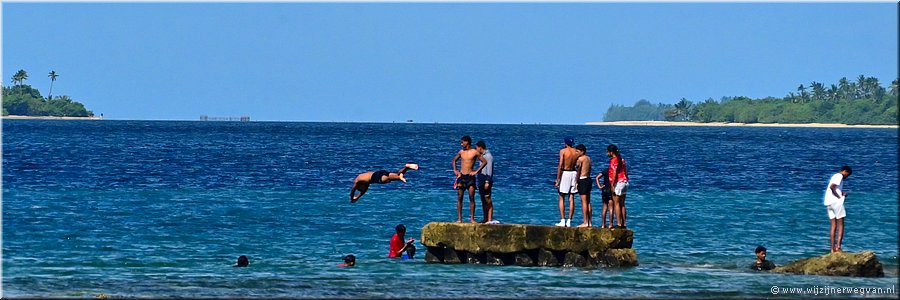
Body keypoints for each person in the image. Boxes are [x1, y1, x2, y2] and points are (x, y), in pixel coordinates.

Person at [452, 136, 488, 223]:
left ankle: (472, 219)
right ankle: (460, 218)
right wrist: (456, 170)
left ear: (467, 142)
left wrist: (476, 171)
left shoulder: (474, 152)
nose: (461, 144)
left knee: (471, 197)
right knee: (460, 197)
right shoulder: (461, 152)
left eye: (462, 142)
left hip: (470, 177)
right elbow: (454, 161)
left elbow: (484, 162)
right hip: (461, 176)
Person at [350, 163, 419, 202]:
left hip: (377, 177)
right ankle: (406, 167)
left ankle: (405, 170)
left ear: (359, 186)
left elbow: (353, 190)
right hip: (379, 172)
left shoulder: (358, 181)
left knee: (392, 178)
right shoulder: (361, 178)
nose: (362, 189)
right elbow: (362, 192)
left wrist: (352, 198)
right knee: (398, 176)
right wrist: (357, 198)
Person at [823, 166, 852, 253]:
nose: (847, 177)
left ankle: (832, 248)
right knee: (841, 224)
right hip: (836, 203)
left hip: (829, 203)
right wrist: (839, 197)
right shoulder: (839, 176)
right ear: (845, 171)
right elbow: (832, 187)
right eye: (848, 174)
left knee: (833, 225)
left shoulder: (834, 176)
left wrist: (842, 193)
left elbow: (833, 188)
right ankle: (838, 247)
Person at [555, 137, 579, 227]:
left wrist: (558, 179)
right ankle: (569, 221)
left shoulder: (563, 151)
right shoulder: (576, 152)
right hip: (574, 173)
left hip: (565, 173)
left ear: (565, 143)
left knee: (561, 197)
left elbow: (560, 165)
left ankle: (562, 220)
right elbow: (578, 165)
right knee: (571, 197)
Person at [607, 144, 629, 229]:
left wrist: (612, 184)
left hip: (618, 182)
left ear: (611, 152)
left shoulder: (614, 160)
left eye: (608, 152)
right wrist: (626, 178)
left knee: (616, 203)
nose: (607, 154)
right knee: (622, 204)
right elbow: (625, 170)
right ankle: (624, 223)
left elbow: (615, 172)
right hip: (624, 181)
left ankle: (619, 223)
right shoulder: (622, 160)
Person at [475, 140, 497, 224]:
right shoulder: (481, 156)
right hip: (481, 180)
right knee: (483, 199)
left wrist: (487, 181)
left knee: (488, 199)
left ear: (480, 148)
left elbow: (489, 170)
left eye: (477, 148)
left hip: (486, 180)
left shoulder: (488, 156)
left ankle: (490, 218)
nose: (476, 149)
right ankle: (485, 218)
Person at [574, 144, 593, 227]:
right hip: (588, 179)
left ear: (582, 151)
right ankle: (589, 222)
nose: (576, 153)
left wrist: (576, 181)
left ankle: (585, 222)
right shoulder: (588, 158)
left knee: (584, 202)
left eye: (577, 151)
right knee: (588, 202)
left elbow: (578, 171)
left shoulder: (580, 159)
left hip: (582, 179)